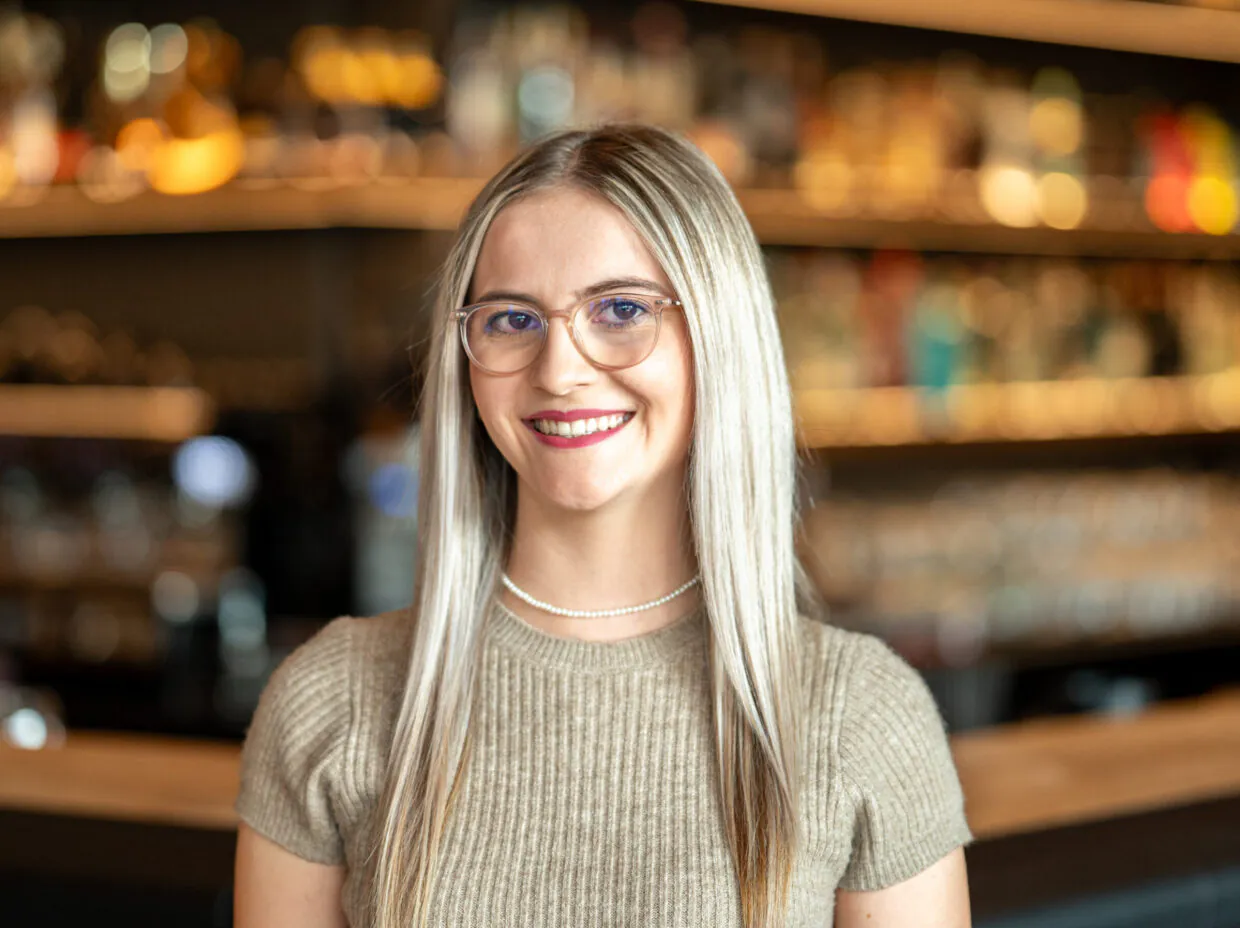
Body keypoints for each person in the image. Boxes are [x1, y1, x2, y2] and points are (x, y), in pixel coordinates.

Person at [233, 123, 973, 928]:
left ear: (719, 338)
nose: (560, 370)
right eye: (513, 320)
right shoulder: (333, 701)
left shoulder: (860, 716)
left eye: (620, 309)